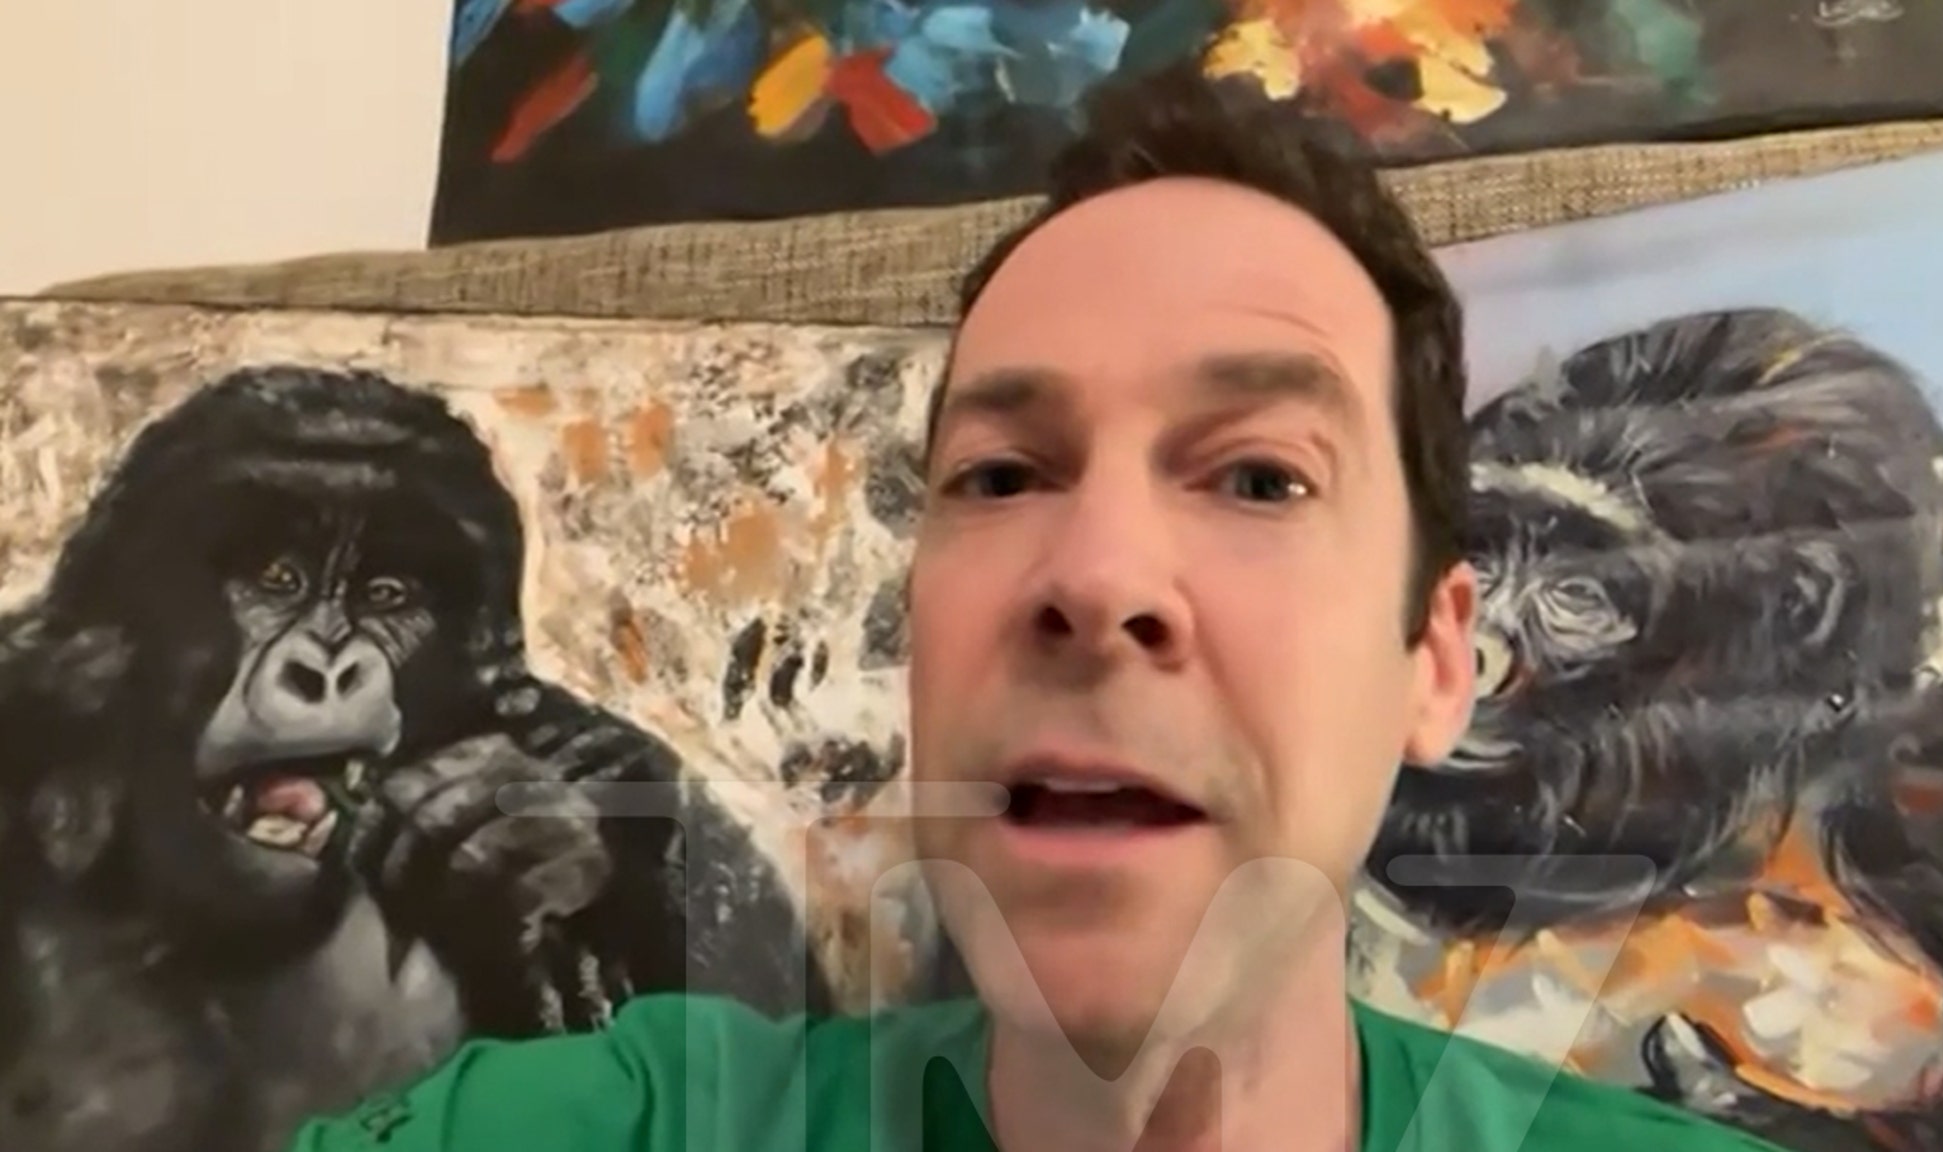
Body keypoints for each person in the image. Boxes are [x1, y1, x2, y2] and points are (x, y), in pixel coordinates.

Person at [284, 54, 1789, 1152]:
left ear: (1437, 662)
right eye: (1002, 477)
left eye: (1260, 478)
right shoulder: (604, 1126)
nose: (1096, 576)